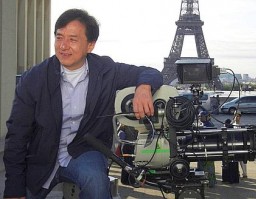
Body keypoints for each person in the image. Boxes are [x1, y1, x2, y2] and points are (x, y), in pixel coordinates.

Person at [3, 9, 163, 199]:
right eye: (59, 37)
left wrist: (143, 87)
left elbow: (150, 72)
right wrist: (13, 188)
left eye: (72, 39)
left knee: (96, 181)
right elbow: (17, 134)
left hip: (84, 152)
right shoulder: (34, 78)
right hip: (42, 157)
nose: (63, 46)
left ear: (90, 45)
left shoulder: (106, 71)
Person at [197, 111, 217, 188]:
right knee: (204, 166)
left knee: (208, 168)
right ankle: (209, 182)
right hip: (205, 150)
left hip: (208, 150)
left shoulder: (208, 125)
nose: (199, 118)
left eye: (200, 116)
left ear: (205, 117)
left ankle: (211, 183)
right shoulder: (205, 124)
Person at [232, 110, 248, 178]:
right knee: (234, 160)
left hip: (241, 145)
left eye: (238, 116)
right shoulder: (232, 125)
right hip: (234, 145)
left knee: (242, 160)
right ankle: (236, 173)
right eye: (235, 116)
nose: (236, 117)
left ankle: (244, 173)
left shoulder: (242, 125)